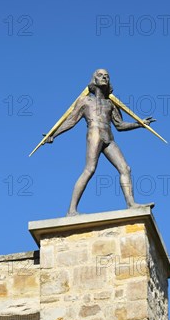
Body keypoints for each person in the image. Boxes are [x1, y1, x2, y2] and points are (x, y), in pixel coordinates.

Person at [45, 69, 155, 216]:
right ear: (93, 80)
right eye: (100, 75)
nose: (104, 77)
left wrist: (140, 124)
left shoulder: (110, 103)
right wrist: (53, 134)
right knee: (89, 169)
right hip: (94, 134)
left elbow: (120, 125)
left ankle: (131, 204)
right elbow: (71, 121)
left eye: (107, 76)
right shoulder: (85, 101)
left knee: (125, 168)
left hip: (109, 137)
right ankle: (71, 210)